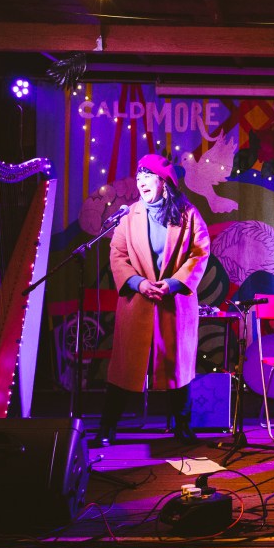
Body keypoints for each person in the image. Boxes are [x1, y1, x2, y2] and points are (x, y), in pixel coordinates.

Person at [92, 153, 211, 447]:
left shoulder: (188, 214)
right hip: (138, 301)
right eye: (139, 176)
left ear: (164, 182)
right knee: (124, 367)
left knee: (176, 367)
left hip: (174, 302)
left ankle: (182, 427)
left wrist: (173, 283)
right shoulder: (129, 215)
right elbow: (118, 254)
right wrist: (139, 283)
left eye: (148, 176)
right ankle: (107, 428)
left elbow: (200, 252)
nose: (141, 182)